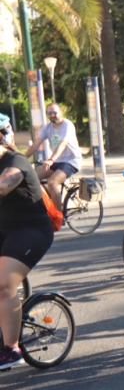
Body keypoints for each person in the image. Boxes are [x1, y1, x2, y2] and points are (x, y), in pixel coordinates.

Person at [0, 113, 55, 369]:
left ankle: (12, 350)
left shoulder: (16, 162)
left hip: (32, 231)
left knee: (3, 286)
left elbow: (4, 185)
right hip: (6, 230)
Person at [24, 103, 83, 204]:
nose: (52, 115)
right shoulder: (48, 128)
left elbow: (63, 144)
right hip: (57, 161)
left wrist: (51, 160)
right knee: (32, 178)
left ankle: (58, 217)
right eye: (49, 113)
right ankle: (47, 204)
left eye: (54, 112)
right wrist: (22, 158)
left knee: (52, 182)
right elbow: (36, 144)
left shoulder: (67, 125)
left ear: (61, 112)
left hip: (71, 161)